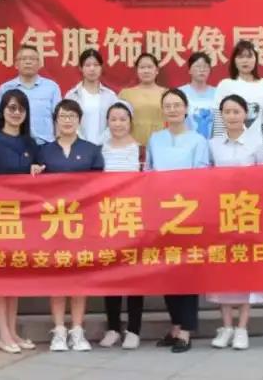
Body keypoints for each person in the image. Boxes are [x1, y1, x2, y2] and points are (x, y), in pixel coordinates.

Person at [34, 99, 104, 352]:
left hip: (82, 222)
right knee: (57, 275)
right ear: (56, 120)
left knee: (78, 275)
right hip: (53, 223)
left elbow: (98, 186)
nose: (67, 120)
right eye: (62, 116)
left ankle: (77, 329)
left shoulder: (92, 150)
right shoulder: (44, 151)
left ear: (79, 120)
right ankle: (59, 330)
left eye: (72, 116)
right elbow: (35, 187)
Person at [146, 88, 210, 353]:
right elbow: (148, 171)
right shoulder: (155, 139)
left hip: (188, 213)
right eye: (168, 106)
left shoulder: (198, 140)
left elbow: (202, 174)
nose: (172, 110)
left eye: (177, 105)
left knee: (186, 271)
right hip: (162, 213)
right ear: (163, 111)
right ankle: (174, 325)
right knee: (166, 269)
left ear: (185, 109)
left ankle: (186, 330)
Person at [207, 95, 263, 351]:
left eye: (236, 111)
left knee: (245, 268)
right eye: (227, 112)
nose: (231, 116)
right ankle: (226, 327)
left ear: (245, 114)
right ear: (221, 115)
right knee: (222, 268)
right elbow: (204, 177)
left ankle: (242, 327)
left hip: (247, 212)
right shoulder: (212, 144)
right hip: (220, 213)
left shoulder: (257, 143)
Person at [0, 89, 37, 354]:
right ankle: (2, 334)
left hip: (24, 219)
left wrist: (37, 171)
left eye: (21, 109)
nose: (16, 113)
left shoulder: (30, 144)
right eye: (11, 108)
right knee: (0, 279)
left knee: (15, 278)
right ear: (2, 110)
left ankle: (13, 331)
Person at [98, 102, 142, 350]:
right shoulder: (100, 149)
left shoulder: (140, 150)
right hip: (108, 218)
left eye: (123, 119)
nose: (118, 124)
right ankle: (113, 327)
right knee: (111, 275)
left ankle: (134, 329)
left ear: (130, 122)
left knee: (135, 275)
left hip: (134, 217)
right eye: (113, 119)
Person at [213, 40, 263, 149]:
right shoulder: (225, 85)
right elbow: (219, 122)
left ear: (256, 59)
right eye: (240, 57)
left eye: (249, 56)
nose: (245, 61)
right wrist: (219, 149)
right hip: (229, 147)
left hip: (257, 148)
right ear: (234, 60)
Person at [0, 46, 62, 145]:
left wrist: (58, 143)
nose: (28, 62)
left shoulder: (52, 87)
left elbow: (58, 117)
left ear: (40, 64)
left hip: (45, 144)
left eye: (32, 59)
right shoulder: (6, 88)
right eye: (23, 59)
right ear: (16, 64)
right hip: (14, 144)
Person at [64, 49, 120, 145]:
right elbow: (67, 121)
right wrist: (83, 143)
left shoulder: (111, 96)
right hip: (78, 146)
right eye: (87, 65)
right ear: (81, 68)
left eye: (96, 65)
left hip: (105, 147)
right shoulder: (72, 96)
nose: (92, 69)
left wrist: (100, 142)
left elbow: (115, 122)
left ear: (101, 67)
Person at [117, 53, 165, 146]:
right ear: (137, 71)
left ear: (157, 70)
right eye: (142, 67)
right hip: (132, 146)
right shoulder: (125, 94)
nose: (146, 71)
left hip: (160, 145)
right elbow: (117, 121)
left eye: (150, 67)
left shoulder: (166, 93)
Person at [179, 52, 216, 140]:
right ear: (189, 70)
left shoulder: (217, 92)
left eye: (205, 67)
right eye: (198, 66)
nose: (202, 70)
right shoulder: (180, 93)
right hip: (186, 142)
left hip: (213, 143)